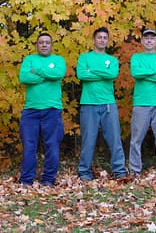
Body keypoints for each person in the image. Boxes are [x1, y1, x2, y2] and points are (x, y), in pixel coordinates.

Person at [77, 27, 127, 180]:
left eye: (105, 37)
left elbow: (112, 74)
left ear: (108, 40)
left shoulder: (112, 60)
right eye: (99, 37)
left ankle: (119, 171)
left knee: (114, 138)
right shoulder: (84, 58)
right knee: (88, 139)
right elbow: (81, 75)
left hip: (108, 104)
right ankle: (84, 172)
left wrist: (92, 71)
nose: (102, 40)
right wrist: (99, 73)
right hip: (88, 103)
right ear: (94, 39)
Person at [18, 33, 66, 186]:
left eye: (47, 42)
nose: (44, 45)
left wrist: (37, 71)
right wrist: (47, 76)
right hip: (30, 111)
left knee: (52, 145)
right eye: (41, 42)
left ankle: (48, 179)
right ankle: (26, 180)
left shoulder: (58, 60)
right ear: (37, 45)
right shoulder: (29, 60)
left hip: (52, 110)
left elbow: (58, 74)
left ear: (51, 45)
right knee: (29, 146)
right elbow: (24, 78)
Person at [129, 29, 156, 178]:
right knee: (136, 139)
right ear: (142, 41)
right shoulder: (136, 57)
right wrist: (154, 71)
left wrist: (145, 73)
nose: (149, 41)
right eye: (146, 38)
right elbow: (135, 73)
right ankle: (135, 170)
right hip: (141, 103)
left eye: (152, 38)